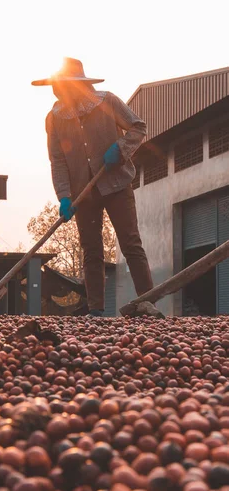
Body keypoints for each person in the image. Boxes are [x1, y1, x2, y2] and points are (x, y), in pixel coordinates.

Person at [32, 57, 154, 317]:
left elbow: (138, 127)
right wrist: (64, 196)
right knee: (91, 250)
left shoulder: (107, 101)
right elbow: (58, 161)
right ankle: (96, 310)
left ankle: (148, 302)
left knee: (131, 243)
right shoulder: (54, 118)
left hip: (117, 183)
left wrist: (120, 150)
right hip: (83, 193)